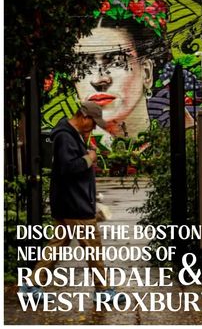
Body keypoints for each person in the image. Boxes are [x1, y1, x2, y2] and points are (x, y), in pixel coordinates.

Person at [19, 101, 125, 304]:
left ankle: (32, 284)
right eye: (93, 123)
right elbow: (69, 168)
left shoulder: (69, 134)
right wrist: (89, 157)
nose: (94, 127)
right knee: (93, 246)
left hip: (70, 202)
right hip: (75, 205)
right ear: (84, 117)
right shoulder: (65, 137)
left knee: (57, 245)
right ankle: (103, 290)